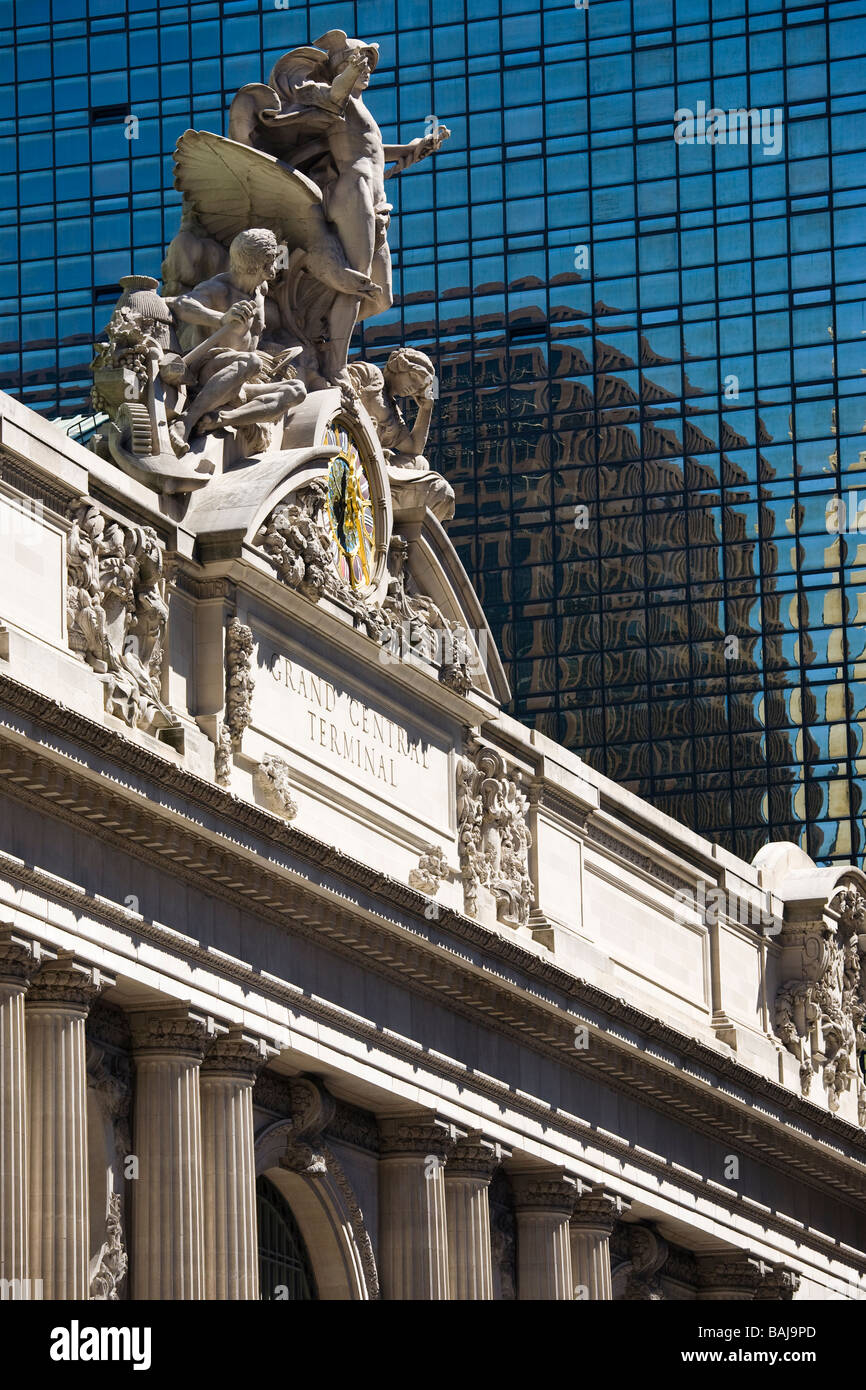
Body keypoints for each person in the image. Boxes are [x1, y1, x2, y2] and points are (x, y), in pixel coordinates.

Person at [171, 228, 306, 448]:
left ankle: (222, 419)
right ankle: (186, 421)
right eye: (270, 260)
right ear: (255, 264)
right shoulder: (219, 289)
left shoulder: (260, 289)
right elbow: (182, 305)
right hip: (210, 373)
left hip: (242, 381)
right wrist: (220, 319)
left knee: (297, 390)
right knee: (251, 362)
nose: (274, 267)